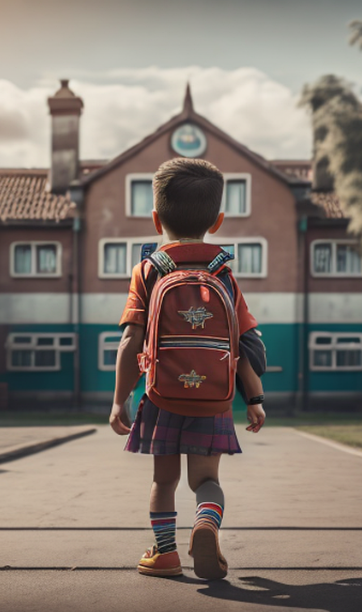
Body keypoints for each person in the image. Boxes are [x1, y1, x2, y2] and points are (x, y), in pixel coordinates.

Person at [109, 157, 266, 581]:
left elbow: (130, 343)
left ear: (156, 218)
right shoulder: (225, 275)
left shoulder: (148, 270)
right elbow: (243, 345)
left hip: (161, 397)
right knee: (206, 480)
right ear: (216, 222)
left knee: (164, 482)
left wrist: (120, 399)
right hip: (213, 398)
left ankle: (165, 555)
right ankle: (205, 524)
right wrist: (253, 398)